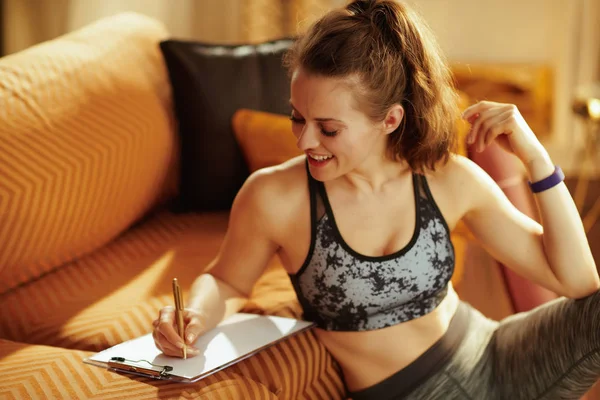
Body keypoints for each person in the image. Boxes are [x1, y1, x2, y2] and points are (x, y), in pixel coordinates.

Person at [152, 1, 600, 398]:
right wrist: (194, 314)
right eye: (296, 117)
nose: (306, 140)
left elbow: (578, 283)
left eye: (328, 128)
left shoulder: (447, 179)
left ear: (389, 119)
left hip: (501, 354)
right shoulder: (275, 196)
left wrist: (537, 158)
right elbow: (228, 281)